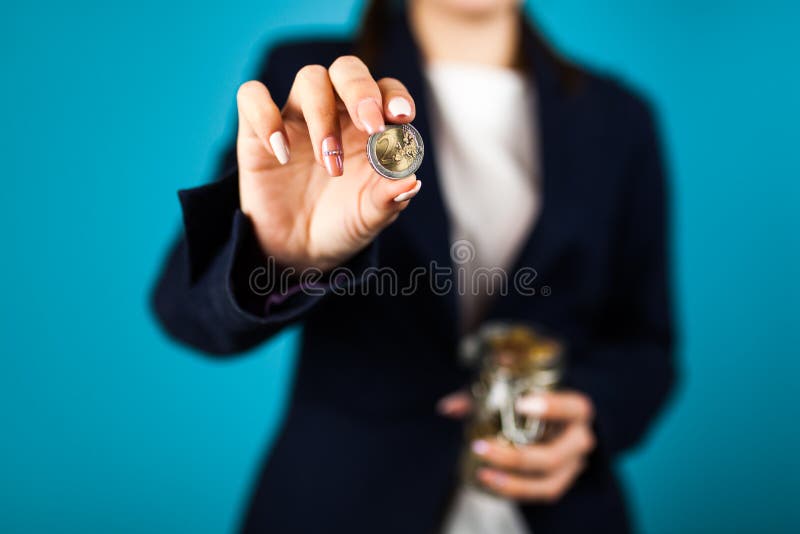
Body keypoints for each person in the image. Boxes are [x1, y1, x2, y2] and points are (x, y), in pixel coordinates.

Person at [152, 0, 676, 532]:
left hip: (558, 511)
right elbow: (185, 309)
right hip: (344, 502)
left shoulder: (620, 119)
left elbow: (649, 345)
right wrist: (279, 255)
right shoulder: (307, 79)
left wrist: (591, 414)